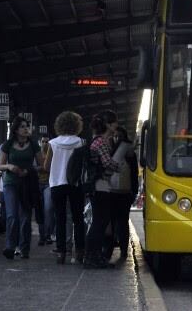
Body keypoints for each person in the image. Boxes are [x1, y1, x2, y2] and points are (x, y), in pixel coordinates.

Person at [0, 116, 43, 260]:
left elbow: (41, 165)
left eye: (27, 126)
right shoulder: (8, 144)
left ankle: (24, 248)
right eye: (23, 126)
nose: (26, 129)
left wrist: (29, 169)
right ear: (16, 129)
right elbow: (0, 165)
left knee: (25, 216)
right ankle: (10, 247)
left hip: (28, 183)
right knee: (12, 215)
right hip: (11, 182)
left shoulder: (34, 144)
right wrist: (10, 166)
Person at [45, 112, 85, 264]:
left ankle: (61, 252)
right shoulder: (81, 142)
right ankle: (80, 251)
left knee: (60, 218)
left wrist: (58, 169)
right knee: (78, 218)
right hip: (76, 184)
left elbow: (46, 165)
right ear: (77, 125)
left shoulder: (53, 143)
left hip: (57, 183)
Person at [84, 110, 121, 269]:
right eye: (114, 123)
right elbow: (107, 163)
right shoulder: (102, 142)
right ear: (108, 124)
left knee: (99, 221)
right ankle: (92, 257)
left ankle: (94, 255)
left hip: (98, 185)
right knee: (100, 221)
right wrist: (119, 166)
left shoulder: (97, 140)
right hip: (99, 186)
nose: (116, 126)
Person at [108, 126, 139, 259]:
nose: (117, 138)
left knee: (121, 221)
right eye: (115, 136)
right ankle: (118, 248)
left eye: (119, 136)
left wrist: (134, 191)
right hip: (113, 192)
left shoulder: (127, 152)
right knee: (116, 221)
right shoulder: (111, 150)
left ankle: (122, 249)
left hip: (122, 193)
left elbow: (134, 173)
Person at [37, 135, 54, 246]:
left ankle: (48, 235)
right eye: (43, 141)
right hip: (37, 184)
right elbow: (33, 167)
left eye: (47, 141)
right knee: (40, 210)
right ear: (40, 142)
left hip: (49, 183)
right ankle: (42, 236)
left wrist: (43, 168)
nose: (45, 143)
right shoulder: (37, 154)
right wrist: (43, 168)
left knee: (48, 209)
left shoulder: (52, 154)